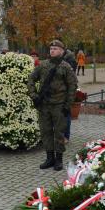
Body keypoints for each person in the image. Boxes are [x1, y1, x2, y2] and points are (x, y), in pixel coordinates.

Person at [28, 40, 77, 171]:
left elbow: (72, 86)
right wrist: (34, 95)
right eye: (51, 49)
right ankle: (49, 158)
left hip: (59, 105)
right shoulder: (43, 65)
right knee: (46, 132)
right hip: (44, 105)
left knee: (59, 133)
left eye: (55, 48)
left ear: (62, 51)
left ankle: (59, 159)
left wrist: (68, 104)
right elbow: (31, 79)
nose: (52, 51)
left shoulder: (66, 67)